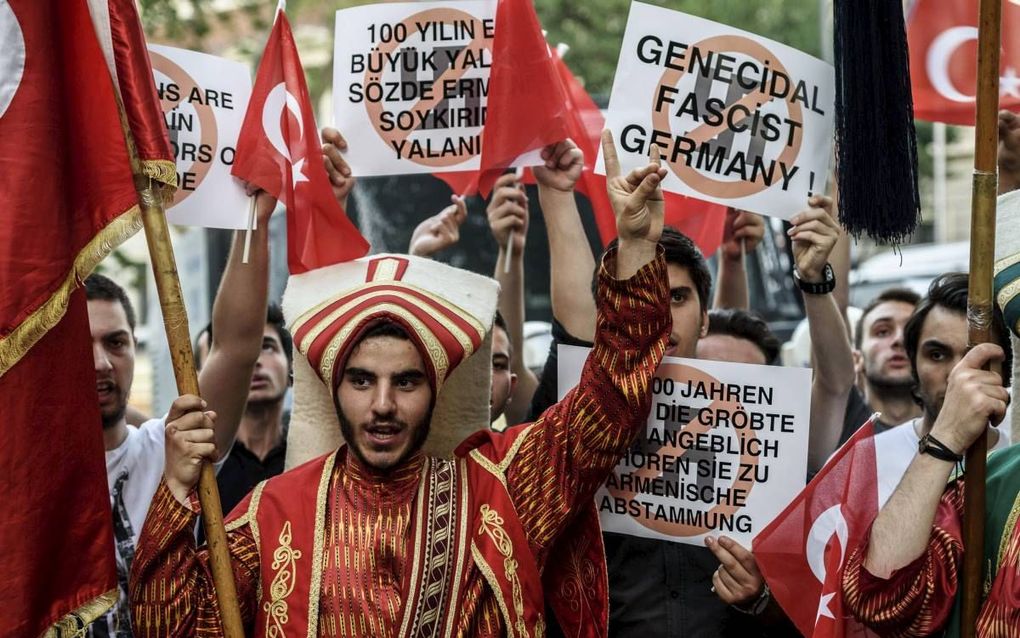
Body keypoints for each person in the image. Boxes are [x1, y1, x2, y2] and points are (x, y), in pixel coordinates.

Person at [128, 131, 677, 636]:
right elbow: (169, 627)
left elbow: (612, 402)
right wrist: (176, 488)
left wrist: (634, 249)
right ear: (334, 389)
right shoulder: (272, 513)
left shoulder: (503, 487)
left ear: (437, 389)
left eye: (407, 382)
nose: (383, 405)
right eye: (362, 381)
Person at [86, 193, 272, 636]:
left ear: (135, 347)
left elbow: (235, 348)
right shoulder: (23, 473)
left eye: (116, 343)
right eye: (81, 346)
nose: (100, 363)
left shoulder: (167, 448)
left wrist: (255, 220)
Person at [837, 287, 921, 445]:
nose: (900, 340)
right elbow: (836, 307)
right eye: (882, 332)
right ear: (857, 359)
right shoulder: (837, 421)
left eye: (911, 332)